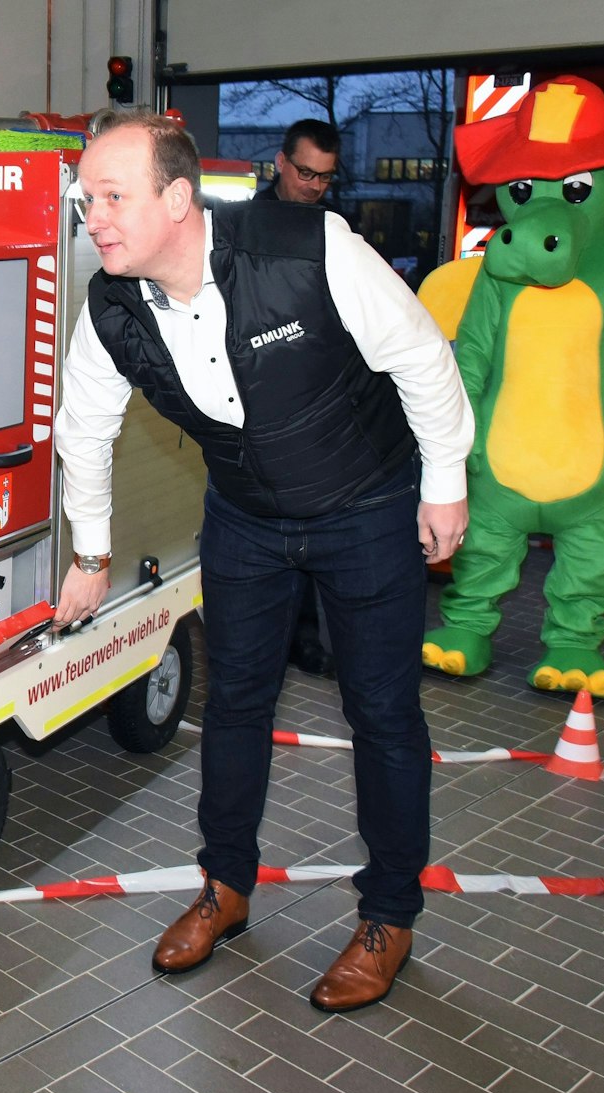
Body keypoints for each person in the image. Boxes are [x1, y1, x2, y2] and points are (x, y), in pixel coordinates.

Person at [53, 110, 471, 1013]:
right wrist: (89, 554)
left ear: (177, 197)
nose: (97, 218)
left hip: (364, 506)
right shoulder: (113, 302)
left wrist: (445, 485)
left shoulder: (308, 247)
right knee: (235, 701)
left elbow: (422, 356)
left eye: (114, 197)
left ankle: (389, 915)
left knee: (383, 714)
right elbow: (82, 426)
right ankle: (225, 887)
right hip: (245, 519)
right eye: (88, 201)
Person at [254, 118, 346, 677]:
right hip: (256, 395)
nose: (314, 186)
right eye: (307, 172)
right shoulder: (243, 224)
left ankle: (303, 637)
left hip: (314, 398)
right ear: (282, 163)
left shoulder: (333, 229)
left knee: (308, 528)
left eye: (326, 178)